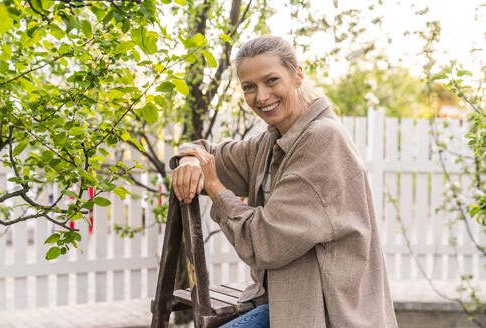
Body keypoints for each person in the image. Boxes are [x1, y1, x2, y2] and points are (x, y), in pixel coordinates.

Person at [170, 35, 398, 328]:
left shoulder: (322, 139)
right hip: (280, 304)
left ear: (298, 75)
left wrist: (214, 187)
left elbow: (263, 242)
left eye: (272, 80)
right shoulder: (273, 140)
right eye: (249, 87)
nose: (261, 96)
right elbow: (208, 153)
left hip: (325, 313)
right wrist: (190, 159)